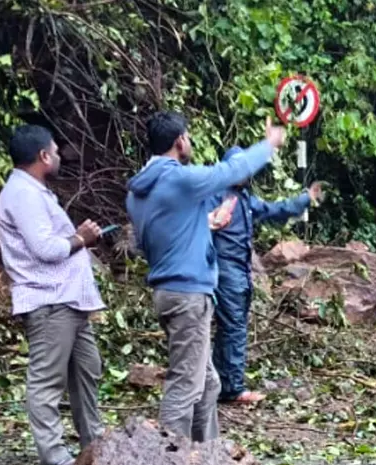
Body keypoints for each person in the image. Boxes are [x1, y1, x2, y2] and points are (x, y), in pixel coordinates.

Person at [125, 112, 285, 441]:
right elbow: (231, 171)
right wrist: (268, 145)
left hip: (168, 289)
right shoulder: (179, 179)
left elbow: (150, 240)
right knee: (185, 384)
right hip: (187, 295)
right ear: (179, 141)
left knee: (208, 382)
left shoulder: (140, 188)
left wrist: (206, 223)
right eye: (189, 136)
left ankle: (208, 454)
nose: (191, 142)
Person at [0, 124, 105, 465]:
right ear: (43, 156)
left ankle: (95, 443)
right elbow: (45, 249)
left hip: (69, 300)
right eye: (55, 152)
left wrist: (79, 239)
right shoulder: (22, 194)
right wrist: (80, 238)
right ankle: (54, 453)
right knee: (47, 380)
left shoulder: (35, 192)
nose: (59, 157)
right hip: (48, 301)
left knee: (88, 369)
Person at [207, 148, 323, 406]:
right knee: (234, 326)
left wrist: (305, 198)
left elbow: (275, 210)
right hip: (223, 270)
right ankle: (232, 389)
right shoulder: (214, 195)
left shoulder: (245, 199)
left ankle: (220, 384)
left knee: (230, 327)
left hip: (239, 268)